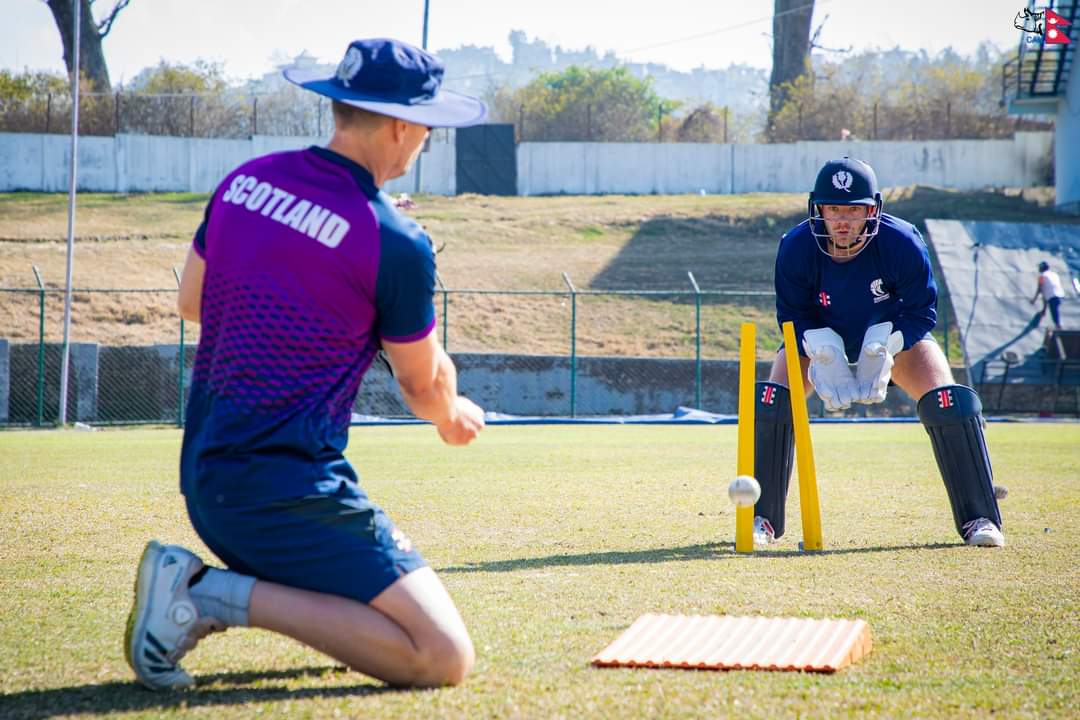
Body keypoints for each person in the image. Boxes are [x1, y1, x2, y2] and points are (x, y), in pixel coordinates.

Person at [125, 38, 489, 691]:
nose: (428, 139)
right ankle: (202, 593)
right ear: (402, 127)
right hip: (281, 495)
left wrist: (317, 271)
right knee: (441, 656)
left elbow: (189, 302)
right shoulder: (394, 239)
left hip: (210, 482)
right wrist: (452, 416)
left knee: (383, 610)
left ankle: (212, 587)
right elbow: (423, 384)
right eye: (428, 126)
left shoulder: (246, 181)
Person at [751, 157, 1005, 549]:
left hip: (889, 334)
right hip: (819, 340)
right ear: (817, 207)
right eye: (833, 208)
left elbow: (923, 311)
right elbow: (791, 316)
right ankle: (762, 519)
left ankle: (980, 516)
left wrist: (887, 345)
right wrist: (821, 345)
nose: (842, 220)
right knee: (773, 401)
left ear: (873, 209)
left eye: (853, 209)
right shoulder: (796, 246)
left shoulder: (901, 242)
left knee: (949, 402)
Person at [1031, 260, 1065, 330]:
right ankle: (1058, 324)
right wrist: (1044, 309)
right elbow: (1045, 295)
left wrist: (1034, 300)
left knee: (1054, 312)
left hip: (1052, 296)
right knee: (1055, 310)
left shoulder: (1041, 276)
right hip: (1060, 295)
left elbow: (1040, 289)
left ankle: (1059, 326)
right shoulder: (1054, 274)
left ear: (1042, 268)